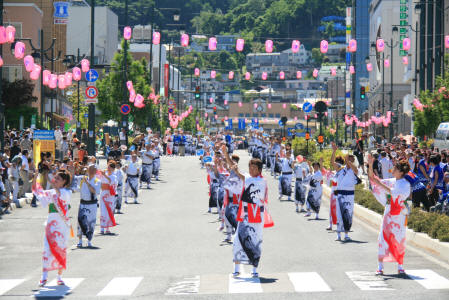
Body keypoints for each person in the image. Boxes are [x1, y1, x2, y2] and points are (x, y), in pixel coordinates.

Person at [368, 156, 411, 276]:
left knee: (399, 237)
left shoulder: (405, 184)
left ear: (401, 172)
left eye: (396, 169)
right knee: (383, 237)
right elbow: (373, 179)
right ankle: (380, 266)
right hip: (388, 212)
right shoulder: (392, 181)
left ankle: (400, 266)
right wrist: (371, 165)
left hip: (399, 214)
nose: (393, 170)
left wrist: (380, 184)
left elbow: (395, 194)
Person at [32, 169, 73, 287]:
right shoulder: (51, 192)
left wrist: (53, 184)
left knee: (61, 250)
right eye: (55, 178)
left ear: (64, 181)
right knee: (47, 249)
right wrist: (36, 176)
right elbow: (37, 190)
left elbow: (59, 195)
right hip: (51, 224)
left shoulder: (66, 192)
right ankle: (44, 277)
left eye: (58, 179)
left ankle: (59, 277)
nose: (55, 180)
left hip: (62, 226)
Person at [231, 158, 271, 278]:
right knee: (238, 239)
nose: (251, 169)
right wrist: (227, 155)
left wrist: (237, 171)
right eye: (250, 167)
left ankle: (254, 269)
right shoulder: (248, 178)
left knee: (256, 241)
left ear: (259, 170)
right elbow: (239, 173)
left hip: (257, 214)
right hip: (245, 214)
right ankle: (236, 268)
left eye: (254, 168)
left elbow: (241, 175)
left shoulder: (262, 181)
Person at [331, 142, 359, 241]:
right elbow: (332, 163)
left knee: (348, 214)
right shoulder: (341, 170)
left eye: (351, 159)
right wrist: (334, 151)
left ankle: (346, 234)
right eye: (348, 158)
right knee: (339, 213)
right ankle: (338, 234)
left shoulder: (355, 170)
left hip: (350, 195)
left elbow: (355, 169)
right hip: (341, 194)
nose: (349, 160)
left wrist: (348, 161)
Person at [76, 164, 101, 247]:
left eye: (92, 169)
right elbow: (76, 187)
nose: (89, 171)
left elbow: (95, 191)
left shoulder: (97, 181)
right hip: (83, 203)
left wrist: (87, 183)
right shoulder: (82, 179)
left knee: (91, 222)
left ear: (95, 171)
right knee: (80, 221)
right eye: (88, 169)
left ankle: (89, 240)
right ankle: (80, 241)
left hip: (92, 204)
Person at [99, 161, 117, 234]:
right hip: (103, 194)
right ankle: (102, 228)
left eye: (109, 167)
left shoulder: (114, 176)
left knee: (109, 211)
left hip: (109, 195)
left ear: (113, 169)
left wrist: (104, 175)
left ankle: (107, 228)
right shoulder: (104, 174)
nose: (108, 169)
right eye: (108, 167)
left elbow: (111, 181)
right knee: (103, 210)